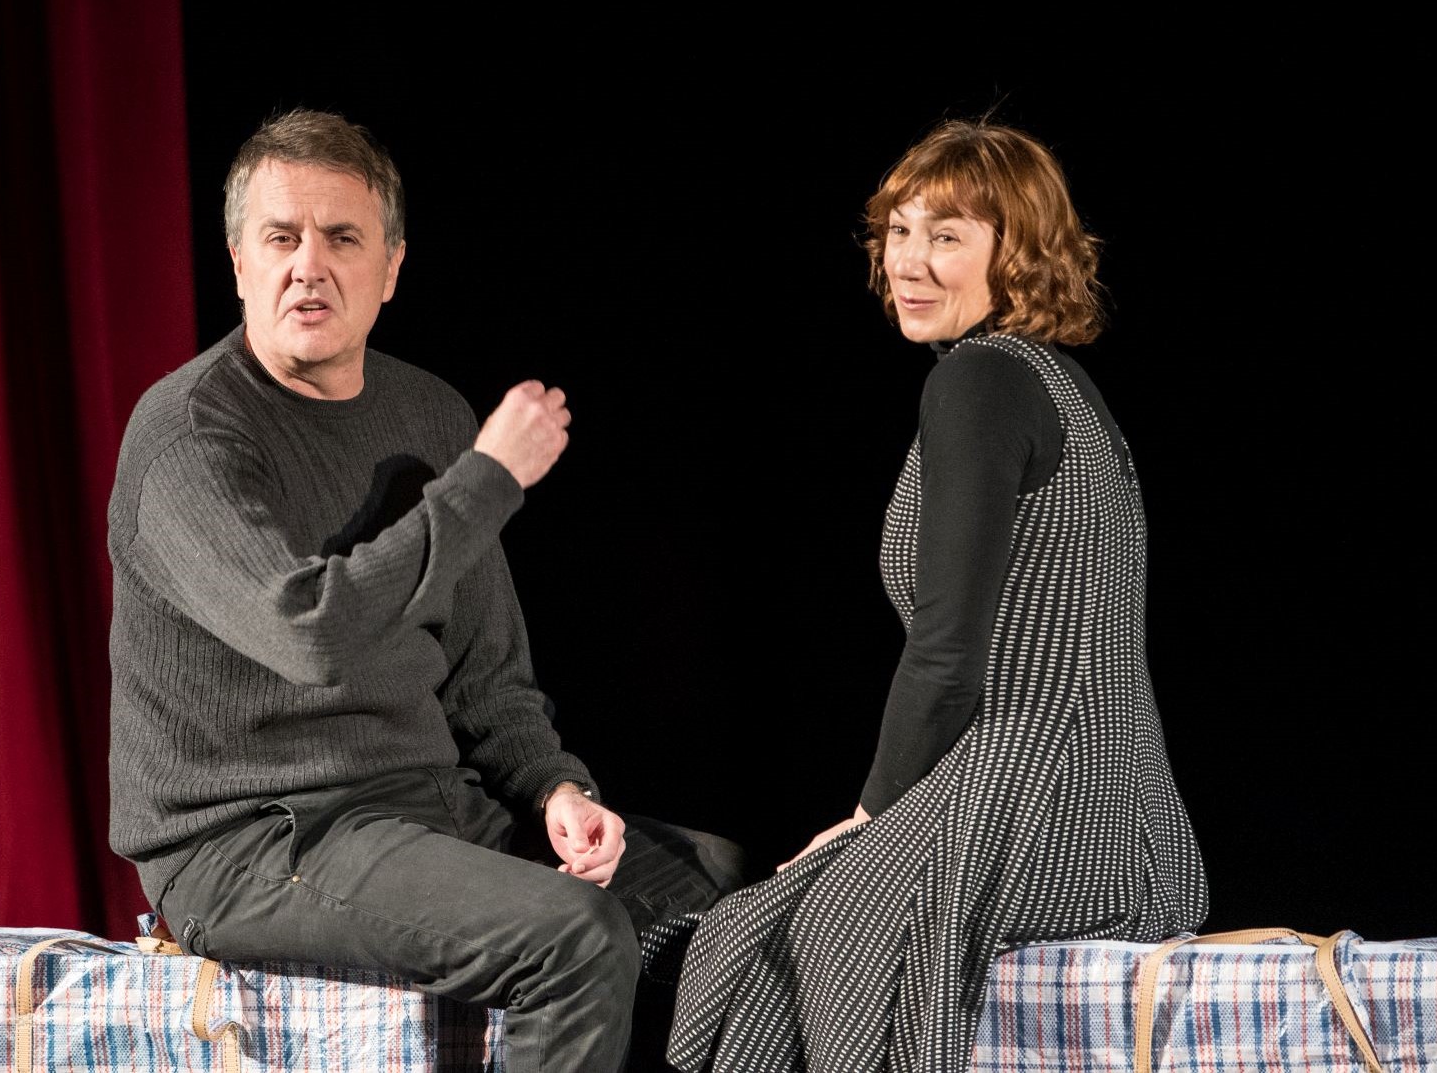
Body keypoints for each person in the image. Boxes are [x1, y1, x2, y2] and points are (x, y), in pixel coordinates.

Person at [107, 107, 747, 1072]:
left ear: (391, 268)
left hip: (423, 805)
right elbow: (309, 633)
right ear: (238, 262)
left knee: (727, 893)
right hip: (258, 838)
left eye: (342, 237)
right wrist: (486, 480)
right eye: (280, 238)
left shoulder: (428, 413)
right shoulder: (188, 435)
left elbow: (486, 677)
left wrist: (557, 787)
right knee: (574, 938)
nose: (308, 266)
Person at [665, 119, 1210, 1073]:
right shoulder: (1058, 384)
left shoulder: (981, 379)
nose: (907, 261)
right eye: (898, 230)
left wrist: (871, 814)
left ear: (1019, 252)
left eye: (946, 235)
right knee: (761, 919)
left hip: (1041, 798)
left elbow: (948, 652)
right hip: (1127, 812)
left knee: (773, 938)